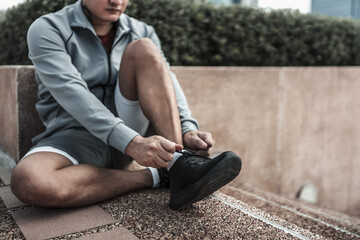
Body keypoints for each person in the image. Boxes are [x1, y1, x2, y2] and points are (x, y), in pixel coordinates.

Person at [10, 0, 241, 210]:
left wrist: (187, 128)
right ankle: (158, 176)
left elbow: (167, 80)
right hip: (75, 135)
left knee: (144, 48)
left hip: (132, 126)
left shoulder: (142, 31)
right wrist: (133, 143)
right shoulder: (47, 28)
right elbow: (72, 92)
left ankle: (180, 161)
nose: (116, 1)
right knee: (29, 181)